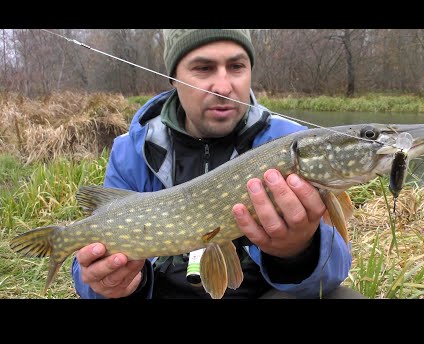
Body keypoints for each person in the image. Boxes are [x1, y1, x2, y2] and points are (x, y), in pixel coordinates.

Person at [71, 29, 364, 299]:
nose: (223, 86)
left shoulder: (289, 141)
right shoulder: (131, 150)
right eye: (203, 68)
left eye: (236, 66)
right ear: (174, 77)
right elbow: (89, 267)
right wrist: (110, 283)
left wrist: (299, 251)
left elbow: (333, 272)